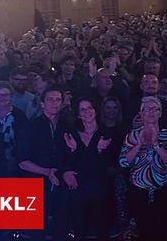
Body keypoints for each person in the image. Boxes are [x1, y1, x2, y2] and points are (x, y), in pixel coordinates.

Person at [118, 96, 167, 240]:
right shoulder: (132, 135)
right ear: (141, 113)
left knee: (163, 233)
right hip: (139, 194)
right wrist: (138, 145)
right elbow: (123, 162)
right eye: (146, 109)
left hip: (162, 193)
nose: (150, 112)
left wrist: (156, 144)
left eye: (154, 109)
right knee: (143, 233)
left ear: (160, 113)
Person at [16, 86, 69, 241]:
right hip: (33, 182)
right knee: (34, 232)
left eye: (58, 99)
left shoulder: (67, 125)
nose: (54, 103)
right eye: (50, 99)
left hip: (59, 182)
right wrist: (47, 172)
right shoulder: (30, 126)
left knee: (60, 228)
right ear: (42, 103)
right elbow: (22, 161)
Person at [61, 98, 115, 241]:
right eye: (82, 109)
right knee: (80, 229)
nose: (87, 112)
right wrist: (72, 151)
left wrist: (99, 150)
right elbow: (67, 162)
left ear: (95, 110)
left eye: (89, 108)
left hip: (100, 187)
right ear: (78, 115)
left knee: (102, 229)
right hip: (78, 187)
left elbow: (110, 164)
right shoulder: (71, 134)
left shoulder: (107, 133)